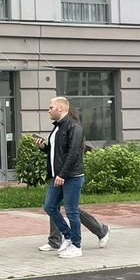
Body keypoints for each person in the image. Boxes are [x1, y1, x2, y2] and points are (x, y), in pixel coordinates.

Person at [37, 96, 86, 257]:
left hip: (71, 176)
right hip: (58, 176)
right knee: (49, 206)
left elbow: (74, 153)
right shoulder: (58, 127)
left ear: (61, 108)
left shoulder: (74, 127)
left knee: (72, 211)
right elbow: (57, 152)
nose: (48, 110)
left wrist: (63, 174)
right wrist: (44, 147)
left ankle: (76, 246)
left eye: (51, 107)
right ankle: (69, 236)